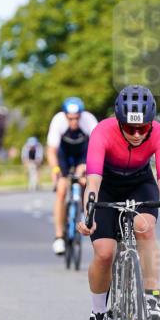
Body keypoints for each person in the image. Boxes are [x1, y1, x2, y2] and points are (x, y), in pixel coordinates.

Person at [77, 85, 160, 320]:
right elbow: (92, 182)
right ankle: (99, 314)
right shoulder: (102, 131)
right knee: (104, 253)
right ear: (118, 120)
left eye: (142, 128)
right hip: (107, 186)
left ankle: (150, 296)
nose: (136, 134)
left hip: (140, 184)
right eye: (130, 128)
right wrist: (88, 214)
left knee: (144, 226)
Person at [47, 96, 99, 255]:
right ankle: (59, 237)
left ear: (81, 115)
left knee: (86, 183)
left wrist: (88, 168)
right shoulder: (58, 121)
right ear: (65, 116)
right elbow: (51, 151)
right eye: (70, 118)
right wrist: (55, 170)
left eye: (77, 118)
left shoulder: (89, 120)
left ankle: (84, 213)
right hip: (64, 156)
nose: (74, 122)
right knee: (62, 189)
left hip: (83, 155)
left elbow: (98, 148)